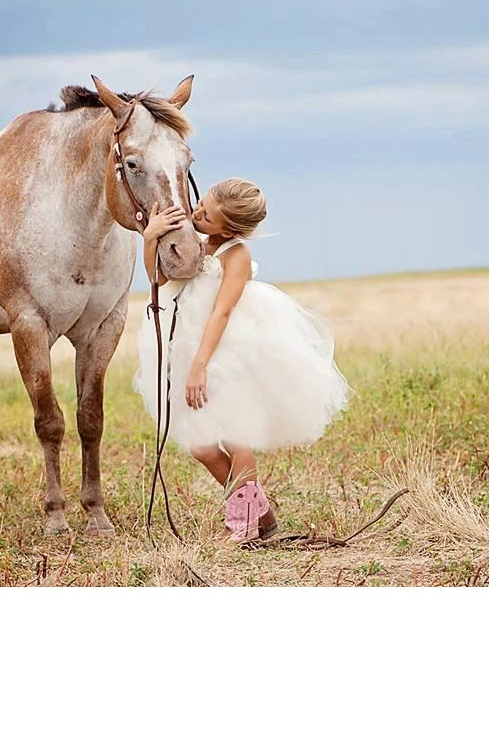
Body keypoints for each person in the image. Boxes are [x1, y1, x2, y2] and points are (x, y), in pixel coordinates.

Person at [134, 178, 353, 544]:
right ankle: (261, 514)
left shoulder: (236, 255)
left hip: (227, 352)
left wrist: (199, 366)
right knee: (201, 445)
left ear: (230, 228)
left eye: (208, 216)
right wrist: (150, 238)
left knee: (236, 439)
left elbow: (222, 311)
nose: (198, 213)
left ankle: (243, 525)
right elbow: (157, 279)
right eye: (201, 204)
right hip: (187, 345)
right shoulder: (194, 239)